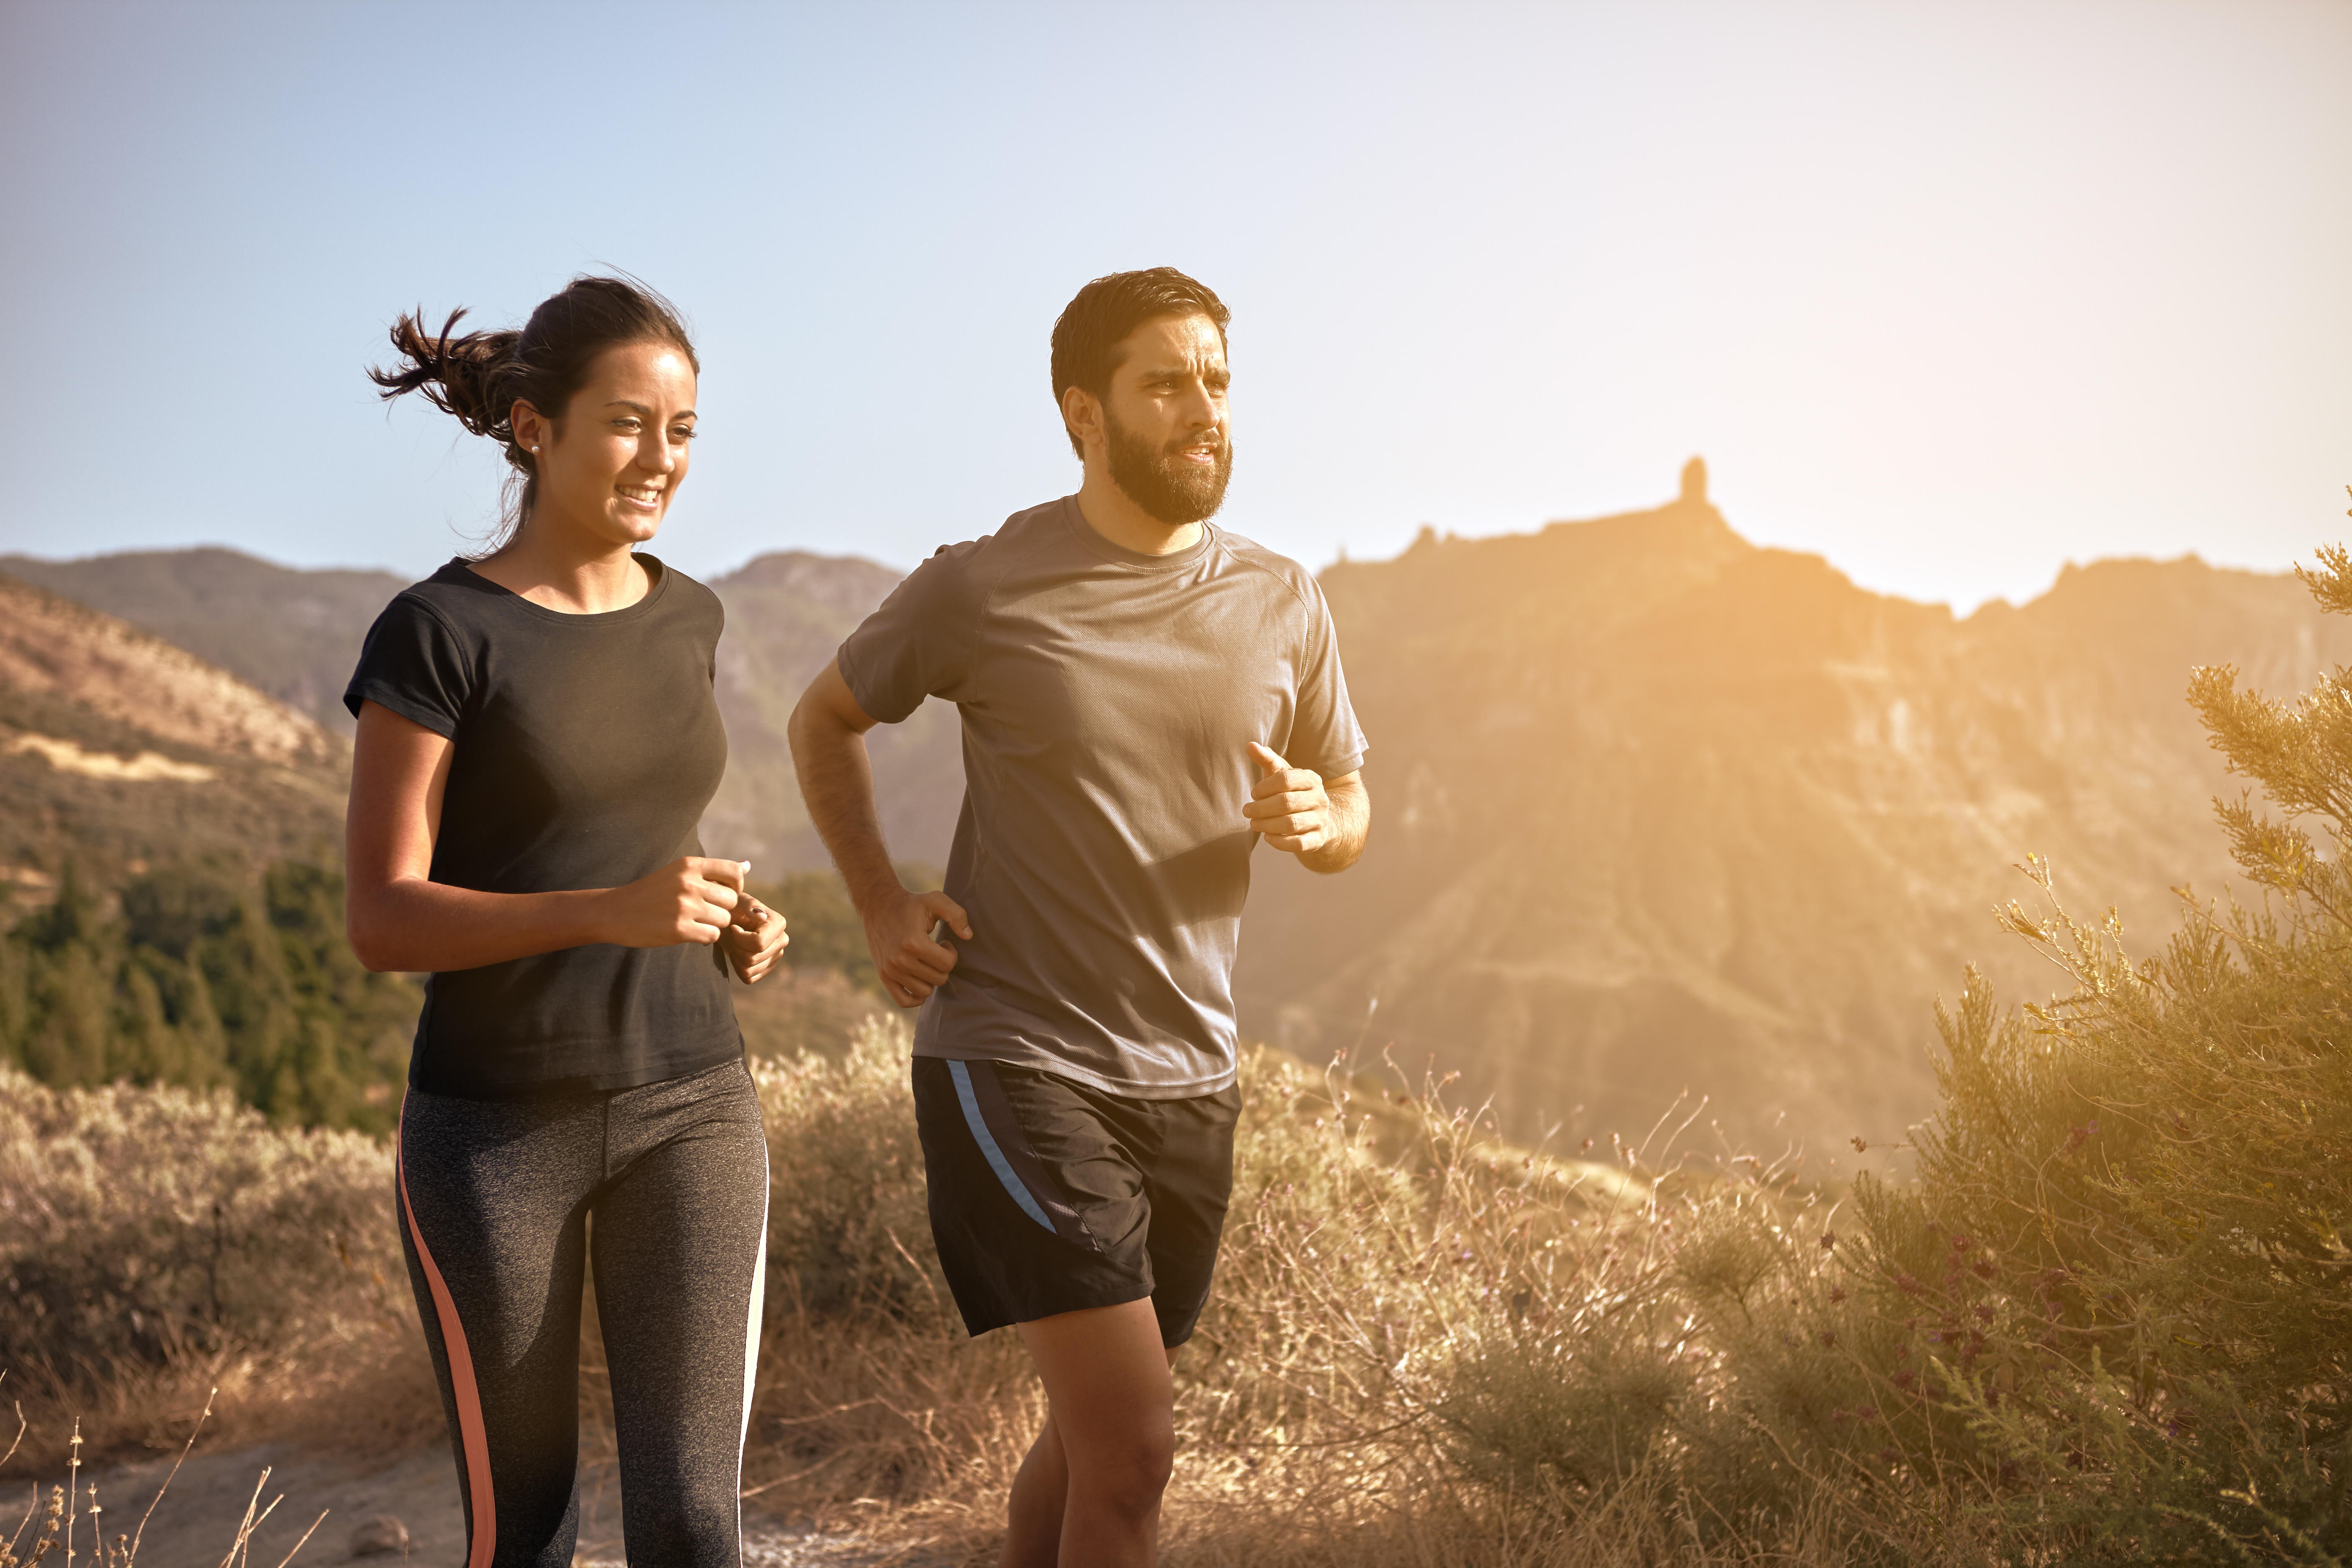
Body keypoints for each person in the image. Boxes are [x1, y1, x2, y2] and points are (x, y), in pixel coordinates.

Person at [789, 267, 1370, 1567]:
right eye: (1165, 383)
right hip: (1015, 1055)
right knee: (1137, 1452)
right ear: (1085, 416)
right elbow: (822, 718)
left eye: (1216, 380)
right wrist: (880, 900)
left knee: (1088, 1443)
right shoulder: (985, 585)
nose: (1202, 409)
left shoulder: (1283, 599)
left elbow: (1348, 794)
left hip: (1190, 1077)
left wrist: (1327, 831)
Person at [343, 275, 789, 1568]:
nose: (663, 459)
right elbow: (383, 918)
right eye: (629, 424)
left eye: (685, 430)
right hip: (493, 1137)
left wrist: (723, 918)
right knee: (522, 1533)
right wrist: (615, 910)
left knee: (697, 1529)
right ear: (535, 427)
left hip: (695, 1103)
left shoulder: (690, 616)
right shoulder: (439, 633)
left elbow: (635, 839)